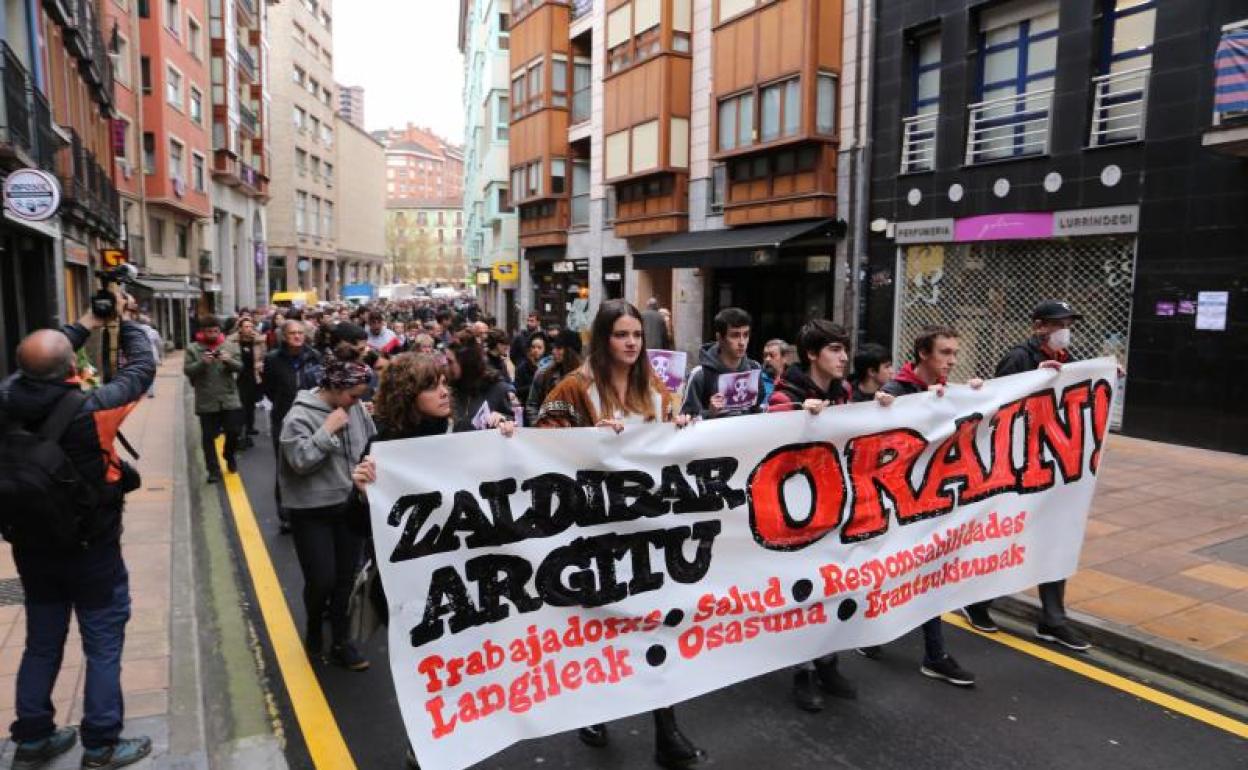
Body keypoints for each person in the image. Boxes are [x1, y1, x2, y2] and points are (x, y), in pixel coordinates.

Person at [536, 300, 703, 769]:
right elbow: (541, 451)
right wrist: (588, 441)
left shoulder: (657, 389)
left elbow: (678, 446)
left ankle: (666, 730)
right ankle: (594, 709)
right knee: (603, 631)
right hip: (594, 537)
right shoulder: (573, 389)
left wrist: (683, 429)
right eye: (621, 334)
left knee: (657, 628)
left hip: (652, 534)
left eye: (637, 335)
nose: (631, 343)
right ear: (603, 339)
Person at [0, 291, 155, 769]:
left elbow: (41, 360)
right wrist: (124, 320)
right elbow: (140, 371)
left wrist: (87, 320)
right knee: (103, 643)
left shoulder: (6, 397)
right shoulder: (94, 409)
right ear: (71, 368)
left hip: (31, 546)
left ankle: (32, 738)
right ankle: (101, 745)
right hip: (93, 549)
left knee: (43, 641)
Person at [959, 300, 1091, 651]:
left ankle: (1053, 620)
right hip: (1018, 468)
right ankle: (977, 602)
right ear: (1039, 327)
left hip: (1054, 465)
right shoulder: (1019, 357)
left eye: (1069, 323)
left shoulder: (1070, 362)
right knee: (1011, 539)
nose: (1066, 329)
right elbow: (998, 407)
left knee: (1055, 538)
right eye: (1059, 323)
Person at [866, 325, 981, 687]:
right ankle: (872, 634)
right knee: (891, 572)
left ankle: (934, 653)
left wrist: (979, 395)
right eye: (945, 353)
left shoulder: (943, 392)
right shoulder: (896, 393)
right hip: (896, 503)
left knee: (928, 575)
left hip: (929, 502)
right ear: (923, 355)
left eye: (954, 353)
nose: (952, 360)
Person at [765, 320, 858, 712]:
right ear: (812, 355)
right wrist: (797, 420)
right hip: (795, 513)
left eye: (844, 350)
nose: (843, 358)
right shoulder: (784, 397)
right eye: (835, 350)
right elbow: (767, 445)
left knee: (834, 586)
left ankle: (827, 660)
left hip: (835, 507)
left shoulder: (845, 392)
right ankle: (802, 670)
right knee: (802, 594)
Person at [279, 346, 376, 671]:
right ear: (334, 388)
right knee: (321, 579)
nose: (356, 402)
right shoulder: (299, 415)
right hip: (312, 510)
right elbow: (299, 461)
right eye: (352, 395)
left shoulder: (357, 408)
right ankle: (313, 625)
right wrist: (327, 430)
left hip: (349, 506)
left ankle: (341, 640)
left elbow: (369, 443)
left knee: (346, 581)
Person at [262, 321, 324, 533]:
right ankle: (286, 514)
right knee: (285, 465)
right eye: (292, 333)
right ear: (284, 336)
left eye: (300, 333)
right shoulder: (272, 359)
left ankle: (310, 506)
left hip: (311, 417)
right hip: (283, 417)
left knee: (312, 459)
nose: (297, 336)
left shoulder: (314, 356)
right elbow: (268, 388)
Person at [184, 316, 244, 484]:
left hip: (229, 398)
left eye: (215, 331)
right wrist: (202, 363)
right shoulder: (193, 348)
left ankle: (229, 454)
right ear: (202, 332)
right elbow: (188, 371)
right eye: (208, 331)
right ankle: (213, 470)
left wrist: (228, 360)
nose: (212, 334)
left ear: (220, 331)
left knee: (234, 431)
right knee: (208, 437)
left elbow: (240, 367)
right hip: (206, 400)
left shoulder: (230, 346)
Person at [682, 307, 765, 419]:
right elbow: (686, 418)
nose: (742, 342)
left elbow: (757, 410)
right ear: (720, 338)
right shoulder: (700, 375)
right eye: (735, 335)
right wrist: (709, 413)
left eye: (745, 335)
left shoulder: (754, 368)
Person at [447, 332, 515, 432]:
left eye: (450, 362)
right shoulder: (448, 389)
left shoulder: (497, 389)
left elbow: (513, 422)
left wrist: (503, 419)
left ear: (466, 363)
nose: (446, 366)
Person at [525, 329, 582, 426]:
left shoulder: (584, 377)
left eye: (559, 348)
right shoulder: (543, 373)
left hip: (578, 435)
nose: (554, 351)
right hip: (549, 434)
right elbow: (532, 405)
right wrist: (538, 426)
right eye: (554, 348)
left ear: (570, 351)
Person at [229, 317, 267, 450]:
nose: (249, 329)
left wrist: (260, 365)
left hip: (253, 375)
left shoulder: (258, 341)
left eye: (251, 326)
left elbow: (263, 356)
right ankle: (241, 432)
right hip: (239, 376)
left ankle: (250, 427)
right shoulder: (233, 341)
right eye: (246, 326)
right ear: (240, 328)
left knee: (251, 403)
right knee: (241, 405)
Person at [513, 333, 546, 407]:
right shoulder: (522, 367)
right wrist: (534, 386)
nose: (536, 350)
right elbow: (517, 390)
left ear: (544, 349)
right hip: (527, 405)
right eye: (533, 347)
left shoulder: (548, 367)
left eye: (539, 347)